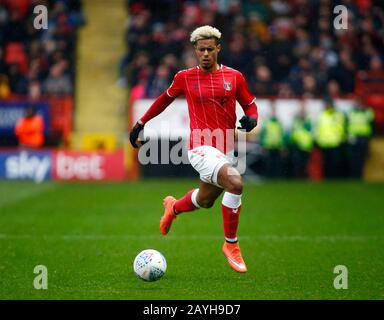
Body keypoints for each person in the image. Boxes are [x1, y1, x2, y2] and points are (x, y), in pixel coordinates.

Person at [129, 25, 258, 273]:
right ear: (195, 51)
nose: (206, 53)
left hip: (224, 150)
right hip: (199, 147)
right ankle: (231, 244)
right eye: (201, 50)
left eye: (210, 49)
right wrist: (140, 123)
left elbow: (250, 105)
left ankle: (173, 207)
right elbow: (163, 100)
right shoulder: (185, 77)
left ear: (218, 48)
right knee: (236, 183)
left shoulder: (235, 77)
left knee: (206, 200)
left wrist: (252, 118)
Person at [314, 97, 346, 179]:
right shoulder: (322, 115)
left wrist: (341, 138)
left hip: (335, 142)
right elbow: (318, 128)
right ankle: (327, 178)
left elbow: (342, 128)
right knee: (326, 163)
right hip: (324, 143)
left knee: (335, 163)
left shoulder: (338, 115)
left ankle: (334, 178)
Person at [345, 97, 374, 178]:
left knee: (362, 158)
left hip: (363, 138)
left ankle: (359, 176)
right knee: (353, 158)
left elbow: (372, 125)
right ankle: (353, 176)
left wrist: (370, 137)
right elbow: (346, 125)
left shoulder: (367, 112)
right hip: (353, 138)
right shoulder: (350, 112)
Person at [258, 105, 285, 178]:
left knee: (276, 164)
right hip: (268, 147)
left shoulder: (278, 123)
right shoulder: (267, 123)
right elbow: (262, 135)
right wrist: (262, 145)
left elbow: (281, 135)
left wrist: (282, 146)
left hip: (277, 146)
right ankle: (269, 177)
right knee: (269, 163)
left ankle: (275, 177)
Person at [289, 103, 314, 178]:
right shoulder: (297, 121)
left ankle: (303, 176)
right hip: (297, 145)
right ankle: (298, 177)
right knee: (297, 163)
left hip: (306, 146)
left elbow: (309, 133)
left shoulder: (308, 122)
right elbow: (293, 132)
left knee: (305, 163)